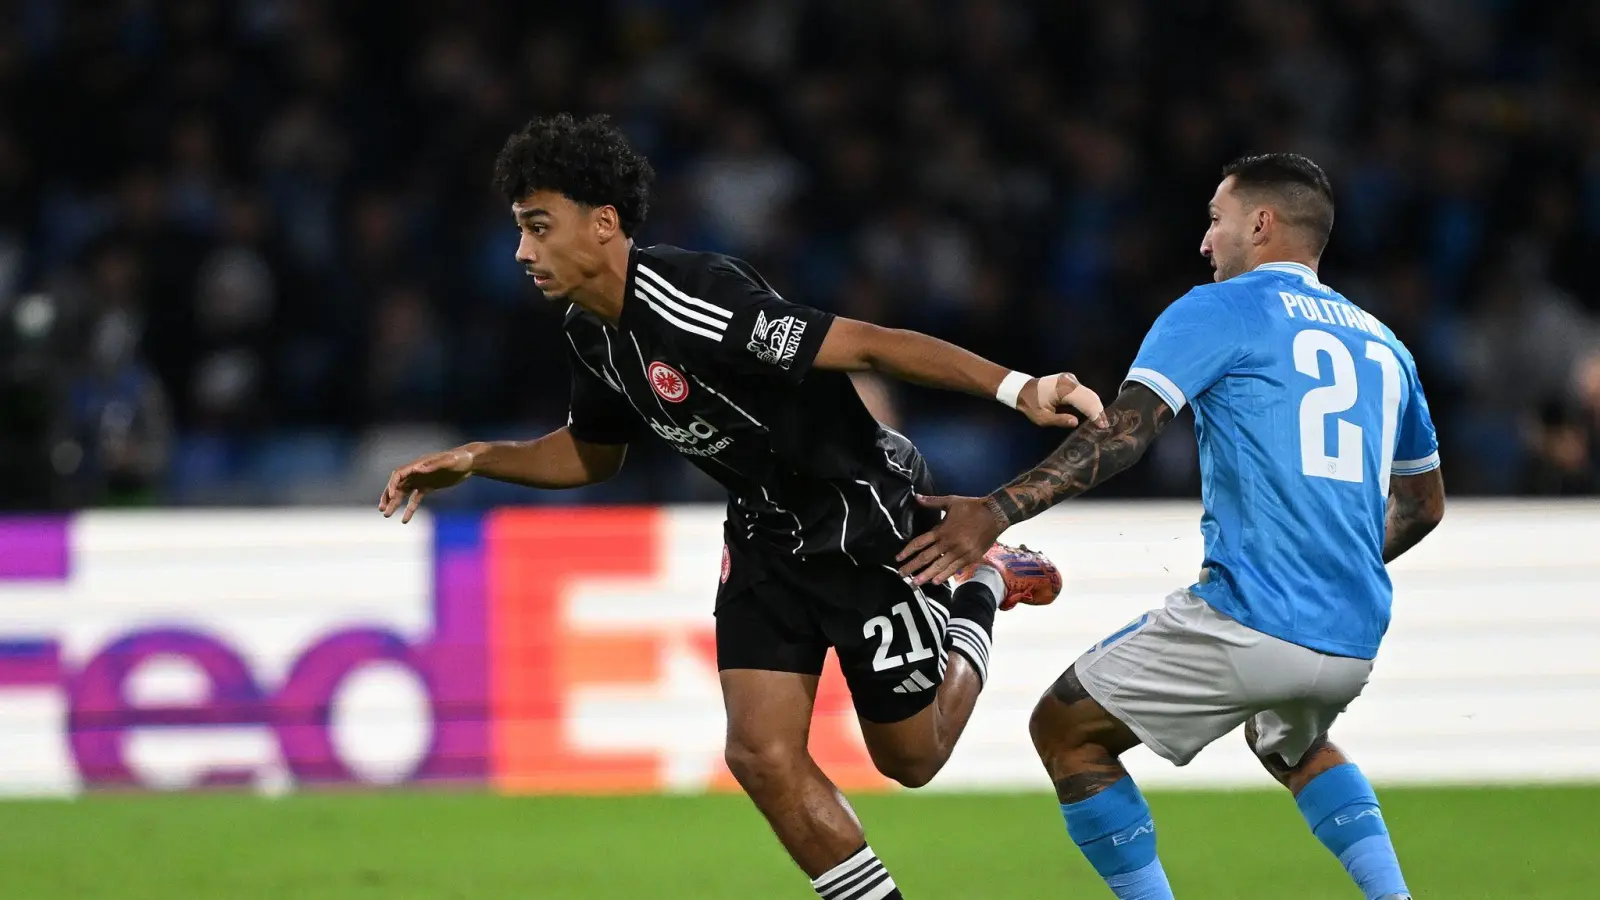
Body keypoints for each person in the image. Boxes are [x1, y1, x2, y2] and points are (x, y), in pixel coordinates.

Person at [378, 113, 1101, 900]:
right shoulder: (590, 331)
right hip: (762, 531)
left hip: (857, 514)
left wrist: (1022, 389)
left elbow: (866, 343)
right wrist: (480, 459)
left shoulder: (696, 298)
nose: (522, 252)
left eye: (538, 227)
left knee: (911, 760)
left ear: (604, 222)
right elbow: (593, 450)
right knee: (758, 754)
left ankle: (986, 584)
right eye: (520, 231)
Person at [898, 153, 1445, 900]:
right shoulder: (1387, 347)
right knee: (1292, 740)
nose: (1204, 242)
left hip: (1255, 615)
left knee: (1066, 731)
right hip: (1353, 634)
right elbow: (1423, 505)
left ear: (1261, 223)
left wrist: (995, 512)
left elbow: (1124, 435)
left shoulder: (1218, 310)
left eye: (1216, 220)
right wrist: (1340, 560)